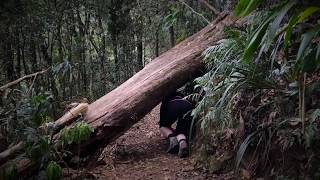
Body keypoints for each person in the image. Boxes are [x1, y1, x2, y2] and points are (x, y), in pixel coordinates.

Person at [159, 91, 194, 158]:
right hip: (188, 106)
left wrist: (168, 130)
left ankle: (173, 139)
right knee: (181, 130)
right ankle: (182, 141)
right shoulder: (182, 94)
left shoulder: (165, 100)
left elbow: (164, 122)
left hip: (172, 105)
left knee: (163, 126)